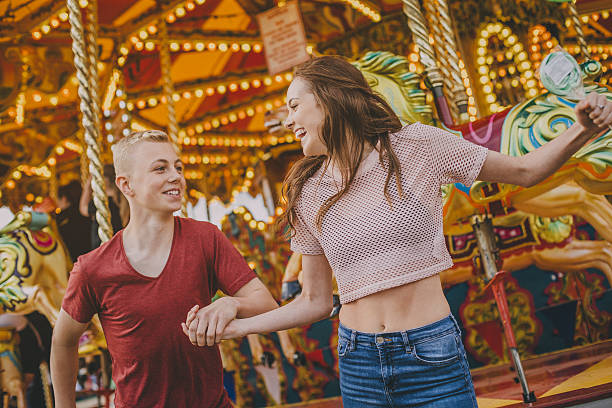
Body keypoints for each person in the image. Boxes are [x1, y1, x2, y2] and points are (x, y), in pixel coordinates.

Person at [183, 56, 612, 407]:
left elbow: (525, 170)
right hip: (357, 360)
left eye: (295, 105)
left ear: (330, 98)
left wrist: (584, 129)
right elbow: (314, 302)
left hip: (431, 352)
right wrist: (237, 325)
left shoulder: (417, 146)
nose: (288, 119)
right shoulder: (306, 191)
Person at [51, 130, 279, 408]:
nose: (176, 176)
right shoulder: (93, 268)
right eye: (160, 168)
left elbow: (266, 304)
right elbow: (63, 341)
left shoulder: (206, 239)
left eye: (178, 167)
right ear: (126, 185)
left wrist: (232, 304)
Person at [79, 164, 128, 249]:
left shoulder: (101, 203)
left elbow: (83, 208)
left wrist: (87, 187)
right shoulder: (123, 201)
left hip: (103, 248)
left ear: (104, 180)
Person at [57, 180, 92, 262]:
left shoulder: (62, 217)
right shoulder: (85, 211)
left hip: (71, 258)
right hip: (89, 254)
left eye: (58, 200)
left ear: (64, 199)